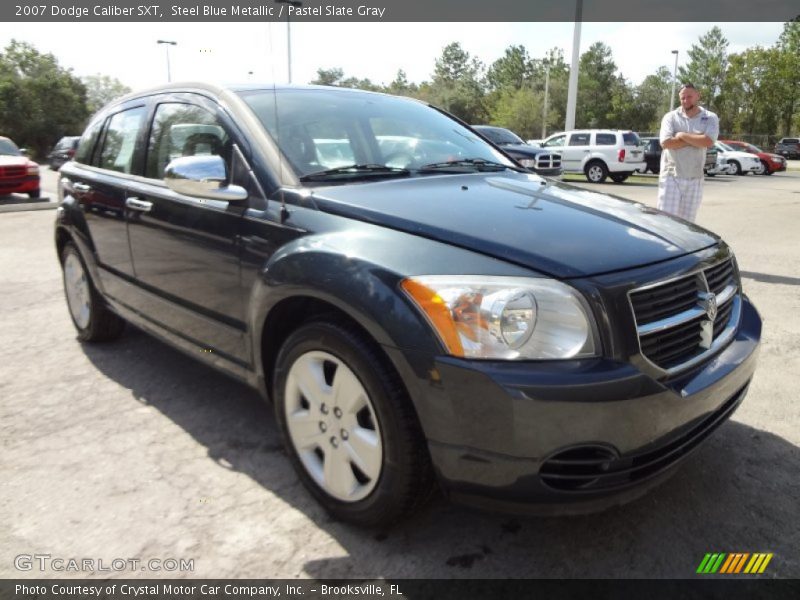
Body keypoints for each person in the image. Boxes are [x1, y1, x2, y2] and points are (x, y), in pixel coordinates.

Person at [657, 83, 719, 222]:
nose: (686, 100)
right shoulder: (670, 117)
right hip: (671, 176)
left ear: (698, 96)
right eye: (682, 98)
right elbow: (666, 143)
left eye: (689, 97)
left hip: (695, 177)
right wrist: (697, 139)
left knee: (687, 225)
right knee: (665, 222)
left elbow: (709, 141)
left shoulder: (710, 117)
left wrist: (682, 135)